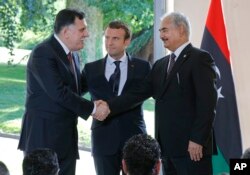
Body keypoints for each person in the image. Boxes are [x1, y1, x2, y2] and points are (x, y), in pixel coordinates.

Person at [106, 12, 217, 175]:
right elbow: (138, 94)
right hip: (166, 150)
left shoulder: (200, 58)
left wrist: (198, 139)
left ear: (180, 30)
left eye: (164, 30)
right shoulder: (160, 64)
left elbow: (207, 103)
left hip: (192, 149)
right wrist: (108, 106)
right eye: (159, 31)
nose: (160, 35)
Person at [18, 8, 109, 175]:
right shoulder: (43, 52)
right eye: (82, 29)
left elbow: (75, 89)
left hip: (66, 138)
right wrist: (94, 109)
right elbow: (59, 93)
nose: (87, 34)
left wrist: (105, 67)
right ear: (66, 32)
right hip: (43, 138)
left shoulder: (73, 54)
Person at [81, 20, 151, 175]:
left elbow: (139, 95)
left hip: (134, 139)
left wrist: (108, 106)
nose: (109, 43)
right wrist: (91, 108)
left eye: (115, 38)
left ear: (127, 41)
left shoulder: (142, 68)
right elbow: (73, 95)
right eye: (107, 37)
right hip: (103, 139)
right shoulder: (91, 69)